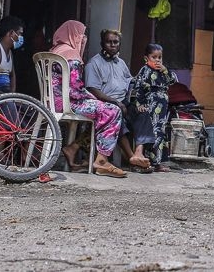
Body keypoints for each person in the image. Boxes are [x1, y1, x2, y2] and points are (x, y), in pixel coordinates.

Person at [49, 20, 128, 178]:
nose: (83, 38)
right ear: (73, 35)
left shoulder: (56, 50)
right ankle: (102, 161)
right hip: (69, 103)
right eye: (81, 34)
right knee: (112, 111)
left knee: (103, 110)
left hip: (53, 101)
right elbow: (76, 91)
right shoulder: (72, 55)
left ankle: (73, 149)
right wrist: (94, 98)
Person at [84, 29, 146, 169]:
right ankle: (131, 157)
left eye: (115, 42)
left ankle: (138, 152)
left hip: (123, 102)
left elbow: (130, 81)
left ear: (119, 44)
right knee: (117, 116)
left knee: (143, 114)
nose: (112, 45)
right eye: (109, 42)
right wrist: (116, 102)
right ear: (102, 43)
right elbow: (93, 90)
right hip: (105, 104)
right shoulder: (93, 64)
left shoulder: (121, 63)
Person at [128, 43, 178, 171]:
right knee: (153, 133)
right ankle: (148, 161)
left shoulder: (163, 72)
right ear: (146, 58)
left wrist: (165, 69)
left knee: (161, 133)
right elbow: (138, 88)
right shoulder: (145, 70)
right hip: (151, 104)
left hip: (163, 106)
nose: (157, 60)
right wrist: (140, 104)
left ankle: (158, 162)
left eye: (159, 57)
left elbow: (173, 81)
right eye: (154, 57)